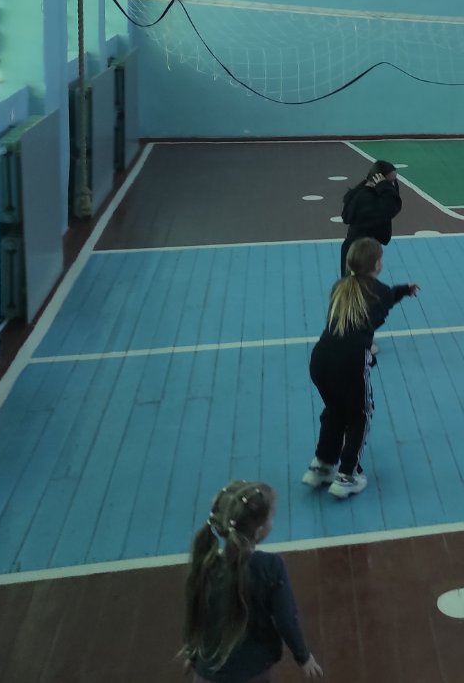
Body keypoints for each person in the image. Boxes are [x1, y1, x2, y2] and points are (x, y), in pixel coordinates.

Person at [302, 237, 419, 498]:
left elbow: (378, 299)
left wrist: (400, 291)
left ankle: (322, 465)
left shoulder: (340, 286)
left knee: (335, 410)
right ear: (377, 264)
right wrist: (403, 291)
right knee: (360, 415)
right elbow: (383, 301)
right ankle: (347, 475)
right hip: (351, 360)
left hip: (320, 359)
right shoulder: (380, 292)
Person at [179, 480, 323, 682]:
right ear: (259, 531)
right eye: (272, 516)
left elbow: (196, 612)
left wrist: (193, 651)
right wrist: (303, 657)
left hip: (207, 672)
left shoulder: (206, 563)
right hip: (253, 672)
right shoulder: (269, 567)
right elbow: (286, 619)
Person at [339, 160, 402, 275]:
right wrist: (384, 186)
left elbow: (393, 199)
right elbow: (391, 208)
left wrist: (385, 186)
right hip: (359, 253)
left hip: (359, 249)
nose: (393, 185)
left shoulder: (368, 192)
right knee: (358, 283)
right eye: (390, 182)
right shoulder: (366, 197)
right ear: (377, 179)